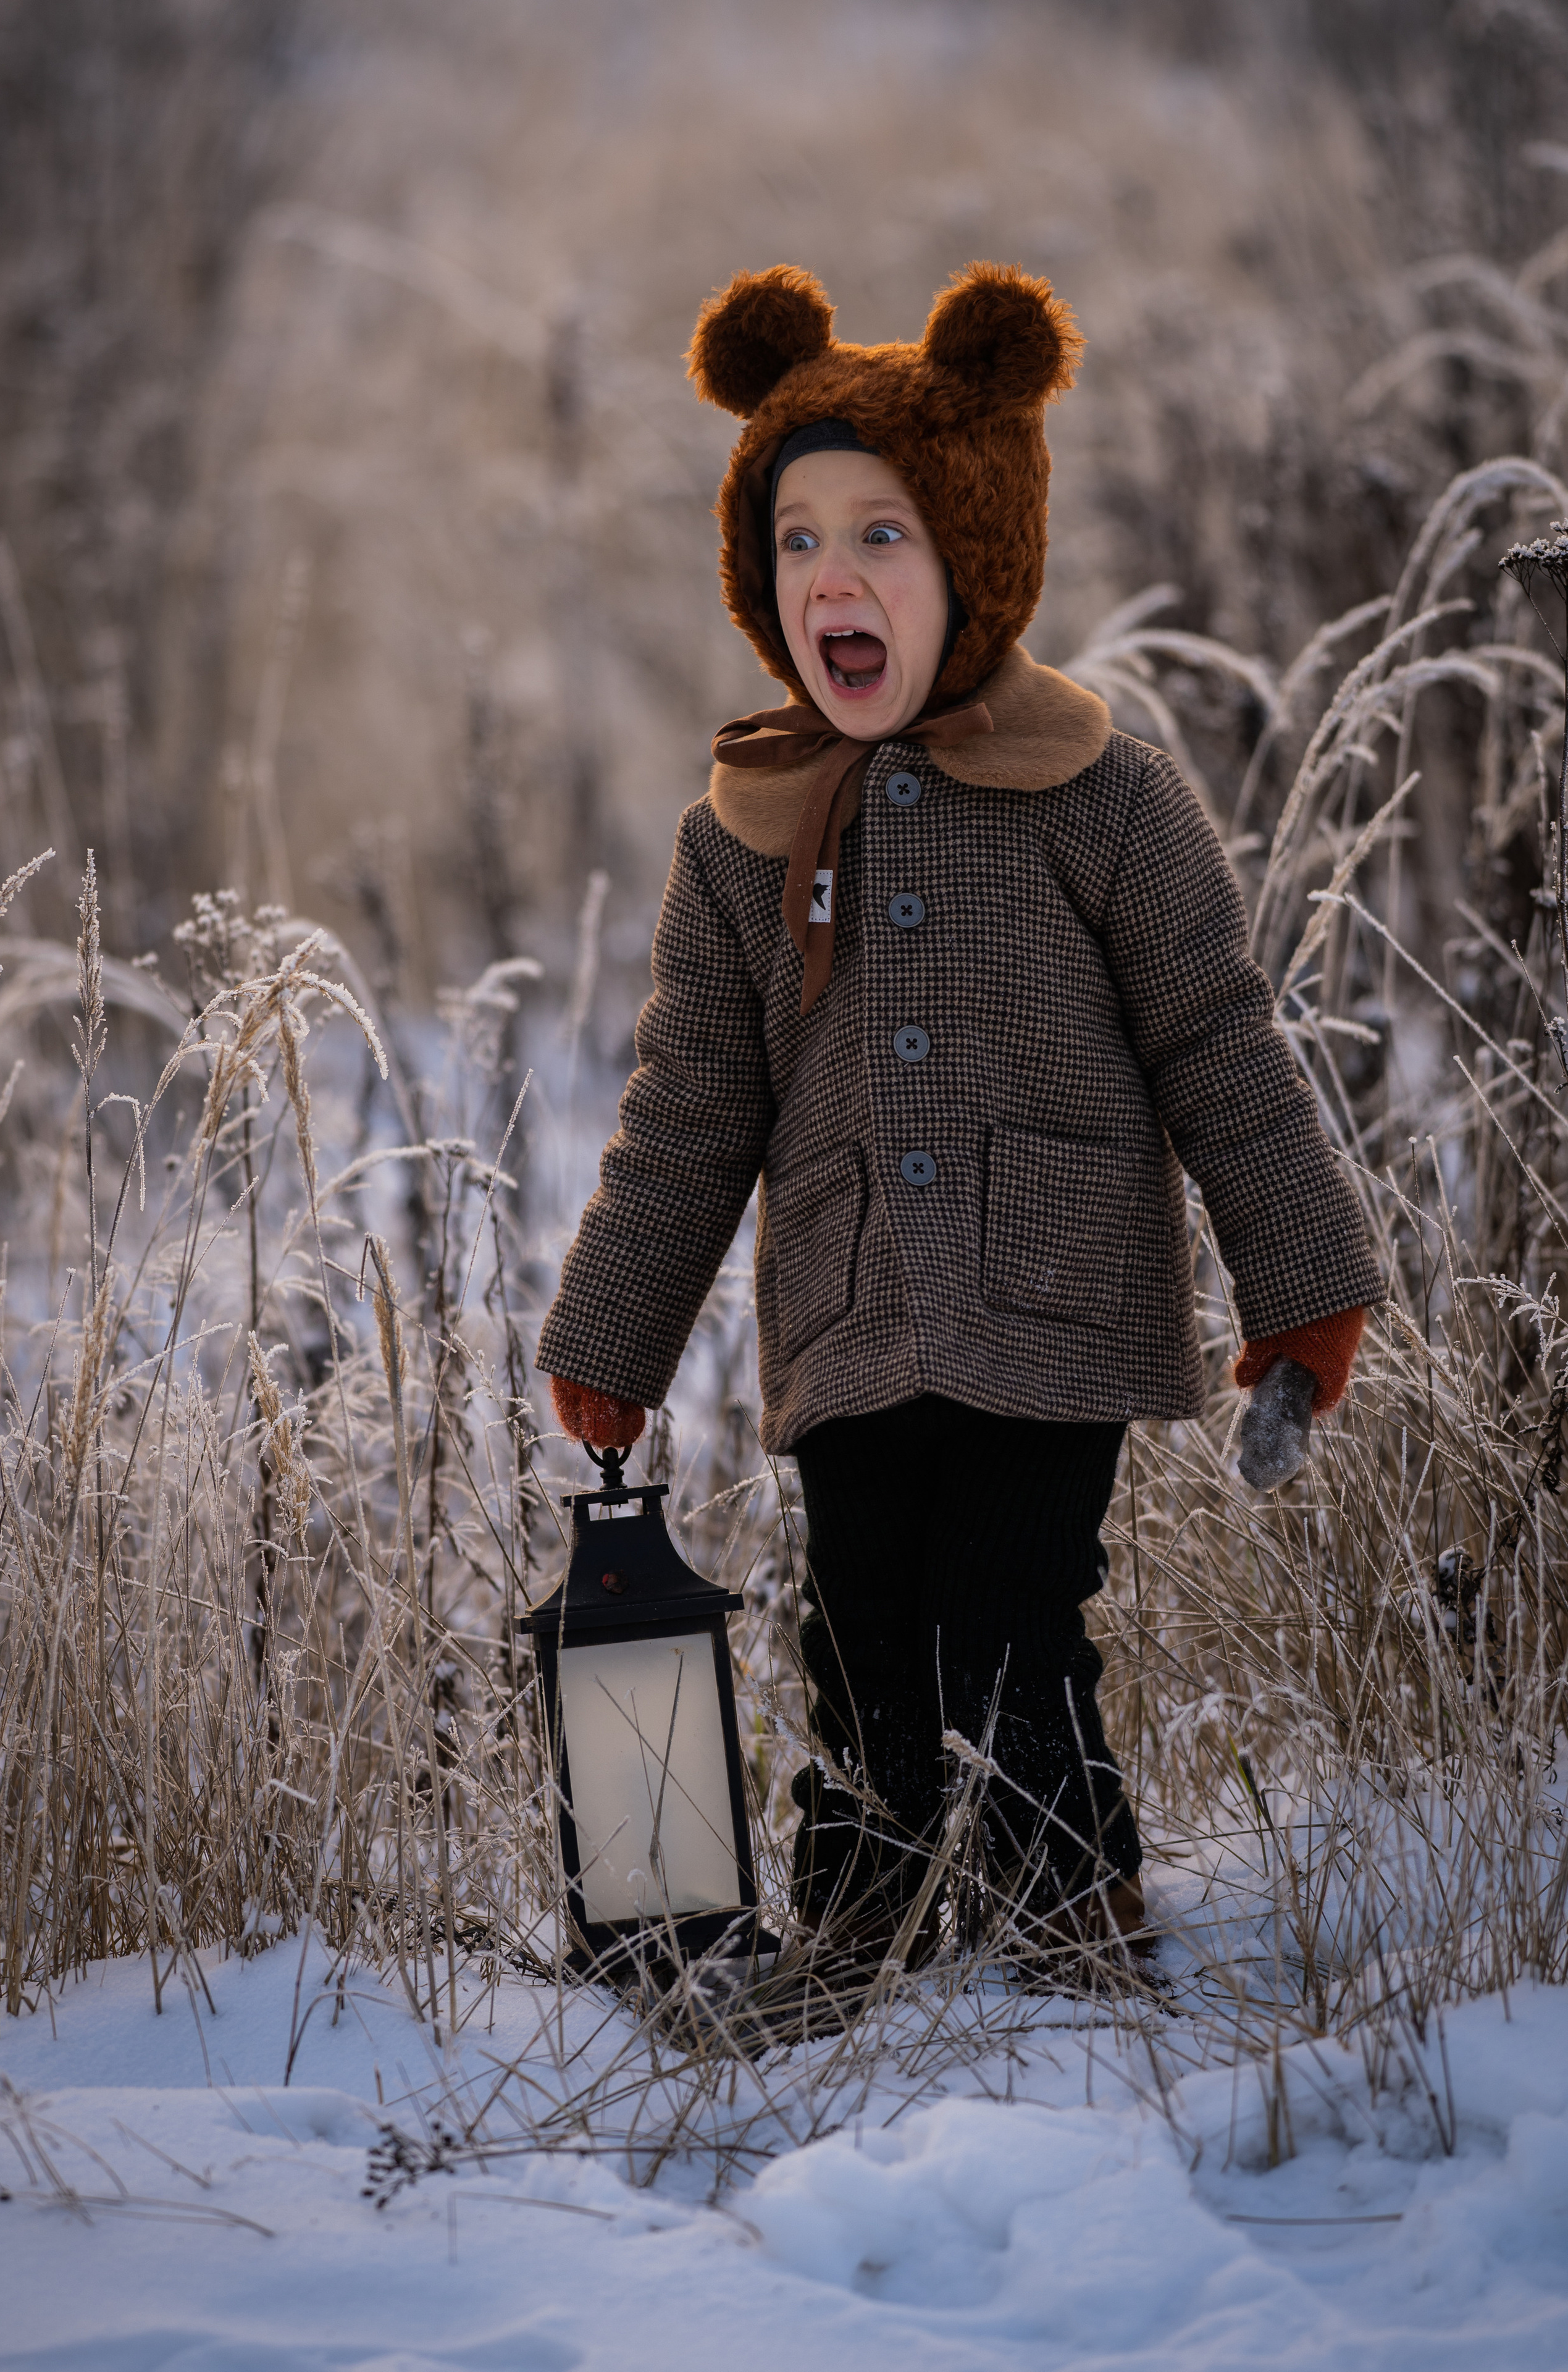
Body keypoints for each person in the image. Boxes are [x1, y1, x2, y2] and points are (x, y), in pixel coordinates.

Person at [536, 263, 1381, 1967]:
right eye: (797, 543)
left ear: (979, 547)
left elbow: (1221, 1043)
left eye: (883, 537)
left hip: (1056, 1302)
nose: (831, 577)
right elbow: (692, 1106)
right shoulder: (741, 835)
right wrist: (614, 1327)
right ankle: (866, 1908)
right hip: (849, 1316)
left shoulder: (1106, 794)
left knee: (1010, 1617)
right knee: (857, 1632)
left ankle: (1072, 1895)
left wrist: (1302, 1276)